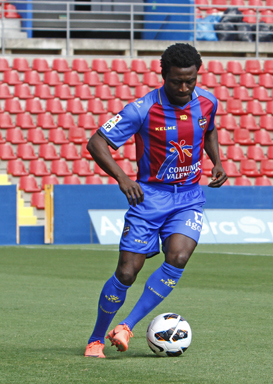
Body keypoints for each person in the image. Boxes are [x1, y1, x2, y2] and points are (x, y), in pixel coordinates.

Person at [84, 43, 227, 358]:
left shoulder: (207, 102)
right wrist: (123, 178)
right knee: (126, 273)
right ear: (164, 76)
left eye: (190, 80)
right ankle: (95, 339)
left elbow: (210, 131)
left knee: (177, 257)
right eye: (177, 81)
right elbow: (96, 142)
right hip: (149, 198)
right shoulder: (142, 108)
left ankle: (127, 326)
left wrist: (216, 161)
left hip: (188, 197)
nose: (184, 87)